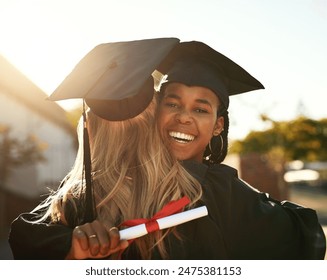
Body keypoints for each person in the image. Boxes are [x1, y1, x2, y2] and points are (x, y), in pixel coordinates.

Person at [8, 38, 326, 260]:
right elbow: (29, 239)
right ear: (155, 111)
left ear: (219, 124)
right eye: (171, 102)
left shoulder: (222, 189)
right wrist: (72, 248)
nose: (184, 117)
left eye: (201, 109)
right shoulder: (90, 192)